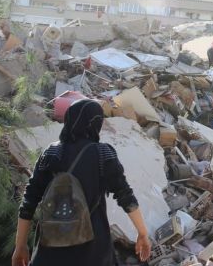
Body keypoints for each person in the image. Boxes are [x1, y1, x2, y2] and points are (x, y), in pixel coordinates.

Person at [12, 99, 152, 266]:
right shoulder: (102, 154)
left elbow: (29, 201)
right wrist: (142, 234)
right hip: (93, 250)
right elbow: (126, 197)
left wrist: (20, 246)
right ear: (96, 123)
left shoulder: (51, 153)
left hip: (50, 248)